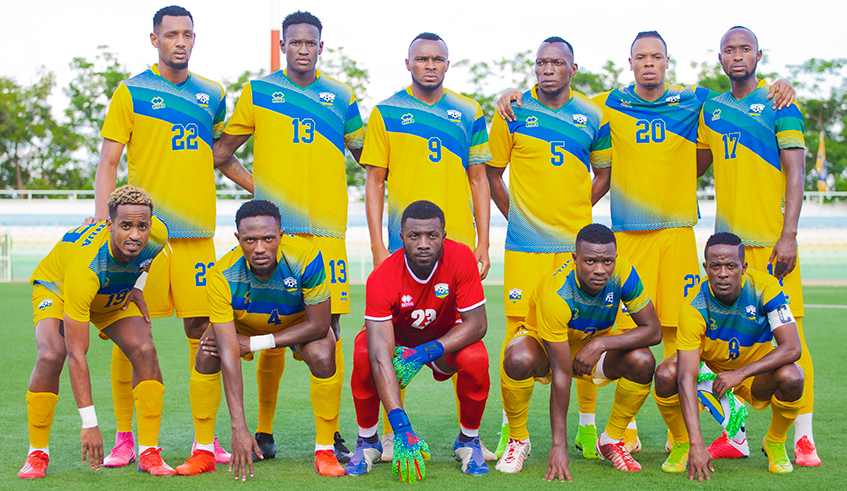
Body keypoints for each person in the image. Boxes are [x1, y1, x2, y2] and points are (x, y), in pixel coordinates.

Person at [495, 31, 795, 453]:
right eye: (641, 57)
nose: (648, 63)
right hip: (627, 237)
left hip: (675, 233)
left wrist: (780, 86)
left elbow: (741, 94)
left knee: (680, 331)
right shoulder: (606, 103)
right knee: (620, 329)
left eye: (656, 56)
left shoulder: (695, 99)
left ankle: (686, 435)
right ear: (630, 62)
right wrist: (514, 94)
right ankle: (623, 433)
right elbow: (560, 95)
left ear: (667, 62)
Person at [89, 5, 252, 466]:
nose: (179, 41)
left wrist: (265, 189)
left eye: (187, 34)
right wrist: (106, 223)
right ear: (154, 39)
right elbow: (108, 162)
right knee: (130, 333)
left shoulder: (212, 93)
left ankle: (207, 439)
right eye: (171, 34)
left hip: (198, 236)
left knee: (203, 333)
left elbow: (222, 157)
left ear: (195, 39)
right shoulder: (131, 92)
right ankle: (126, 437)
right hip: (145, 240)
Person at [213, 9, 362, 464]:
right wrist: (260, 191)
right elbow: (221, 154)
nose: (302, 49)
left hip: (328, 234)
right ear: (284, 46)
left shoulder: (341, 96)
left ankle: (331, 434)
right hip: (280, 234)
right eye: (294, 42)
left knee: (329, 331)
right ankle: (263, 430)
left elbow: (368, 155)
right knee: (270, 318)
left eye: (310, 42)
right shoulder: (258, 91)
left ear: (321, 46)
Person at [362, 31, 494, 461]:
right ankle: (385, 436)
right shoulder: (385, 112)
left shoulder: (469, 111)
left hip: (453, 248)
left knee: (468, 349)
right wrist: (380, 246)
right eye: (422, 59)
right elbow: (375, 182)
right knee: (386, 342)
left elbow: (479, 179)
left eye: (438, 59)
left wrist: (484, 242)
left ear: (447, 64)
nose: (430, 65)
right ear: (408, 64)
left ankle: (467, 441)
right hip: (406, 246)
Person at [696, 26, 818, 466]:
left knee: (792, 340)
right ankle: (736, 432)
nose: (737, 56)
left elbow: (796, 173)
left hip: (773, 246)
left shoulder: (781, 102)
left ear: (759, 55)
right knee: (721, 340)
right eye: (729, 50)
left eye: (745, 49)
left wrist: (790, 235)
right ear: (720, 59)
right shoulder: (710, 108)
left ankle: (801, 437)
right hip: (728, 252)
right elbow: (692, 164)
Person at [487, 37, 612, 464]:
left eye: (557, 62)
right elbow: (491, 173)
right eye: (541, 62)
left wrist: (577, 212)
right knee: (517, 336)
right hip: (525, 247)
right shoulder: (513, 110)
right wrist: (516, 216)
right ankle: (512, 430)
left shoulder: (594, 114)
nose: (547, 69)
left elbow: (604, 173)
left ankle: (587, 426)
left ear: (573, 68)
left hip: (574, 250)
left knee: (585, 331)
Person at [173, 200, 346, 478]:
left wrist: (255, 344)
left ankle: (325, 450)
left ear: (281, 235)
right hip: (244, 325)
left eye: (268, 238)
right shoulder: (221, 275)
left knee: (324, 354)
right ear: (238, 239)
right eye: (250, 240)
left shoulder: (307, 257)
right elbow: (229, 353)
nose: (260, 248)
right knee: (208, 353)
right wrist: (239, 427)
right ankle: (203, 451)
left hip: (297, 324)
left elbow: (319, 324)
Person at [19, 186, 173, 479]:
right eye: (126, 226)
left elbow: (147, 259)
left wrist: (138, 288)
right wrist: (89, 423)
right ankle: (37, 453)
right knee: (53, 354)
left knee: (144, 349)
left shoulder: (158, 235)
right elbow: (78, 354)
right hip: (61, 287)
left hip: (111, 291)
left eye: (142, 226)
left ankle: (149, 452)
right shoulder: (85, 267)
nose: (136, 235)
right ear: (109, 224)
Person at [498, 223, 661, 478]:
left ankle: (611, 440)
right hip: (546, 348)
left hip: (594, 348)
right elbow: (562, 375)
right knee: (517, 357)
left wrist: (600, 344)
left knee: (642, 360)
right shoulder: (557, 292)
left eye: (607, 261)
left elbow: (653, 330)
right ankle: (518, 440)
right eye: (590, 261)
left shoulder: (624, 272)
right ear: (575, 259)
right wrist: (558, 446)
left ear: (615, 258)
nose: (600, 270)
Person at [346, 200, 491, 481]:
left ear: (444, 236)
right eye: (414, 236)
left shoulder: (461, 258)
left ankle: (468, 441)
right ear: (402, 238)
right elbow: (379, 354)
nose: (423, 243)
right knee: (364, 352)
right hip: (398, 342)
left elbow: (477, 325)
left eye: (432, 235)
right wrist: (401, 427)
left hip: (443, 342)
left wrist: (426, 352)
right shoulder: (382, 277)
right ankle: (368, 442)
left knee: (476, 357)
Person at [654, 232, 804, 479]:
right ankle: (681, 443)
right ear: (706, 268)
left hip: (755, 374)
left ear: (743, 267)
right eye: (715, 266)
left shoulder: (765, 288)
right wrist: (696, 444)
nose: (723, 273)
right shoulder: (694, 305)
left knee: (793, 376)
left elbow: (792, 348)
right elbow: (685, 377)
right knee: (666, 373)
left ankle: (775, 442)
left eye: (731, 266)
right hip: (710, 376)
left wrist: (740, 373)